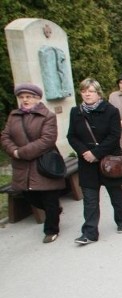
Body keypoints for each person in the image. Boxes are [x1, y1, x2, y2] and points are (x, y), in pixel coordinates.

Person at [67, 78, 122, 244]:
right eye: (84, 91)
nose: (87, 94)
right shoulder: (76, 112)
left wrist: (96, 153)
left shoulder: (110, 110)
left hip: (109, 159)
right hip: (86, 161)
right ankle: (89, 232)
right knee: (90, 199)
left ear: (98, 93)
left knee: (115, 193)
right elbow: (71, 136)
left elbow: (114, 135)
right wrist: (84, 152)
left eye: (91, 91)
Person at [1, 83, 64, 243]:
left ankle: (51, 230)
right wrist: (13, 150)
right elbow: (5, 136)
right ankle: (54, 211)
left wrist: (21, 152)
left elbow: (47, 140)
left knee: (49, 196)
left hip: (43, 163)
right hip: (22, 166)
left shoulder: (47, 116)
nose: (25, 100)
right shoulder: (14, 115)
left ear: (37, 98)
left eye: (29, 97)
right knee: (28, 195)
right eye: (22, 97)